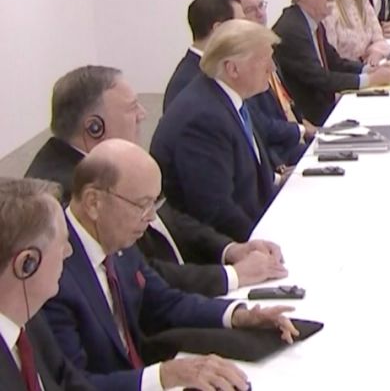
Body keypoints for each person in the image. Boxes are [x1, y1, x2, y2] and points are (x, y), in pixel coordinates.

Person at [44, 141, 298, 391]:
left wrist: (239, 315)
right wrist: (163, 376)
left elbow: (164, 302)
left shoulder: (115, 237)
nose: (151, 217)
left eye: (153, 204)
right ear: (93, 202)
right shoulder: (52, 274)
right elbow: (73, 385)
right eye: (142, 204)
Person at [25, 66, 285, 297]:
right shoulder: (72, 193)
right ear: (94, 127)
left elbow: (166, 218)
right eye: (131, 107)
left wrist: (230, 249)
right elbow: (141, 273)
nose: (143, 114)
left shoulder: (106, 164)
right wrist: (233, 275)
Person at [152, 21, 280, 241]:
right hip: (222, 246)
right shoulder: (204, 119)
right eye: (264, 60)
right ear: (232, 69)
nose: (272, 68)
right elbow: (216, 210)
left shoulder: (225, 97)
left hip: (254, 220)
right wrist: (267, 240)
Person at [272, 0, 390, 125]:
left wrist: (368, 69)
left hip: (325, 106)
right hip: (311, 117)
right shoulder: (293, 29)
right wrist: (370, 79)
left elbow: (334, 62)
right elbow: (319, 78)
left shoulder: (313, 22)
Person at [0, 177, 93, 391]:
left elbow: (71, 384)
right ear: (27, 264)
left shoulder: (31, 320)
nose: (69, 252)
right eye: (62, 243)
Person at [220, 0, 316, 166]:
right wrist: (300, 130)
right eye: (250, 10)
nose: (260, 14)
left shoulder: (267, 47)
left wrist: (304, 126)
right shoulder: (240, 66)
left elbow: (285, 103)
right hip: (280, 155)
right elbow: (260, 127)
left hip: (296, 140)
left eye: (261, 5)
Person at [163, 0, 238, 112]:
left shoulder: (212, 69)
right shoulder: (187, 81)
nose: (247, 30)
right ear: (219, 29)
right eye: (241, 24)